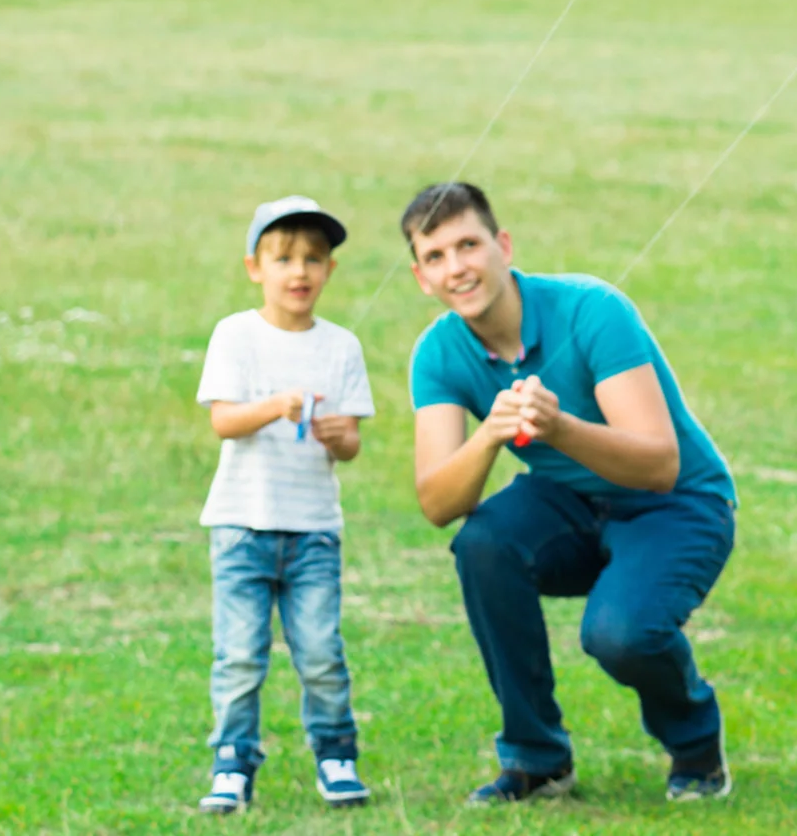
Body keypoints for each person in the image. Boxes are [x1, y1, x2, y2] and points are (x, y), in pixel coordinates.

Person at [403, 181, 737, 806]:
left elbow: (659, 464)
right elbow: (437, 503)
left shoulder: (591, 309)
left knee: (620, 634)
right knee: (483, 543)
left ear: (503, 246)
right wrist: (488, 440)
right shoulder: (439, 353)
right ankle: (536, 760)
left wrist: (559, 428)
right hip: (569, 501)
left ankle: (695, 742)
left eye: (469, 245)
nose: (458, 268)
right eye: (436, 257)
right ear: (422, 277)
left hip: (677, 506)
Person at [194, 196, 375, 815]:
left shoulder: (341, 346)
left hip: (314, 531)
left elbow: (350, 441)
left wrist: (337, 435)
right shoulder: (236, 335)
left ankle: (336, 755)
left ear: (329, 270)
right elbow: (223, 421)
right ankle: (232, 763)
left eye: (314, 259)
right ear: (255, 267)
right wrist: (276, 405)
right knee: (241, 654)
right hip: (242, 526)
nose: (299, 272)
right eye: (284, 258)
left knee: (321, 651)